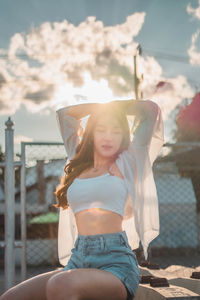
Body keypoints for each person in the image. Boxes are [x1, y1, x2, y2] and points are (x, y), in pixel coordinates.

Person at [1, 99, 164, 300]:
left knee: (60, 284)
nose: (108, 137)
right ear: (91, 133)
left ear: (124, 135)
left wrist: (114, 107)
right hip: (78, 259)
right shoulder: (77, 158)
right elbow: (65, 115)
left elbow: (150, 110)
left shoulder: (127, 162)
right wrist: (99, 108)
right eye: (101, 129)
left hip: (115, 264)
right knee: (11, 297)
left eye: (116, 131)